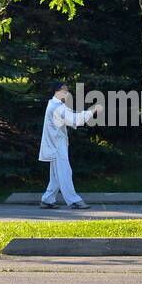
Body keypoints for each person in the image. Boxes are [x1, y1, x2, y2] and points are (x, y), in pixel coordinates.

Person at [38, 81, 99, 210]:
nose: (67, 93)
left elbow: (71, 116)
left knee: (56, 176)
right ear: (56, 91)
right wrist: (92, 111)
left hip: (56, 145)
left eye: (67, 90)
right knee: (65, 173)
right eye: (64, 90)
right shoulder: (57, 107)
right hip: (57, 146)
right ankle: (74, 201)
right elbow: (75, 120)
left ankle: (47, 199)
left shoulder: (55, 104)